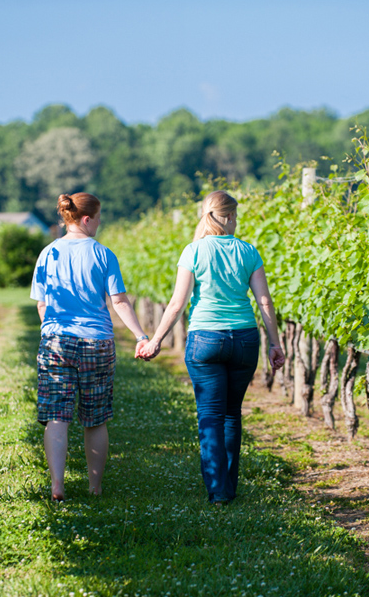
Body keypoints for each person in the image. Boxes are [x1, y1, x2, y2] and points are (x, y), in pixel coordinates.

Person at [136, 190, 285, 505]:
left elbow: (177, 303)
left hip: (205, 339)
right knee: (232, 414)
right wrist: (275, 342)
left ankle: (219, 492)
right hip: (244, 339)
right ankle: (228, 487)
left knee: (210, 415)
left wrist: (156, 340)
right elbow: (264, 301)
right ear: (229, 217)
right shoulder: (249, 251)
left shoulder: (193, 251)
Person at [31, 192, 149, 501]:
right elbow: (119, 302)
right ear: (87, 219)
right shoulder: (103, 254)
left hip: (56, 340)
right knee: (95, 419)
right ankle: (94, 488)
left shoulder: (48, 254)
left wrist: (51, 330)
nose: (99, 224)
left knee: (57, 416)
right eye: (98, 218)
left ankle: (57, 486)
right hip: (96, 342)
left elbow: (42, 304)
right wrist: (140, 335)